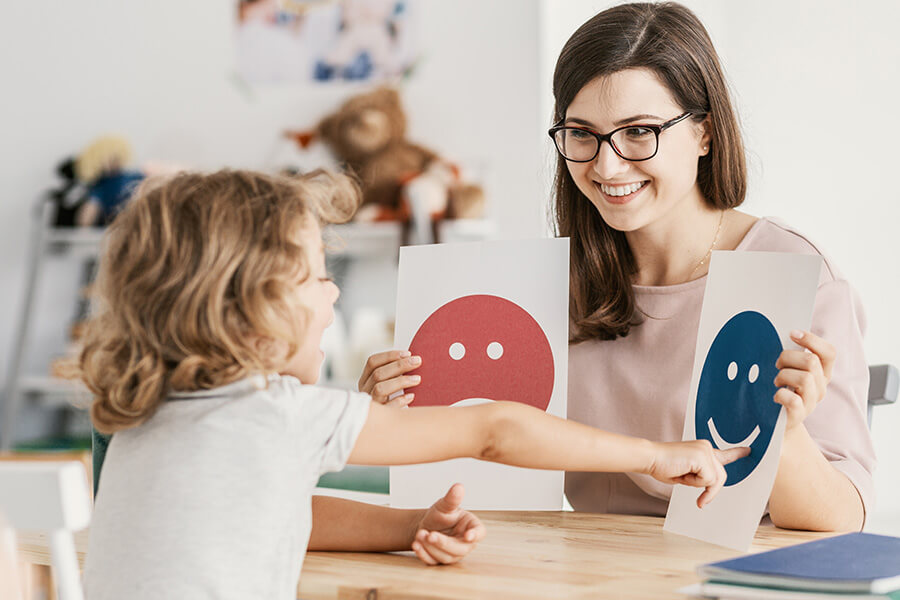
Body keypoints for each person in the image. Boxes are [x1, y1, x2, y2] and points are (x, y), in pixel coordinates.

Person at [77, 169, 743, 599]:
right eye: (313, 276)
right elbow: (494, 429)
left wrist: (411, 524)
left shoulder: (148, 419)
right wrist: (656, 455)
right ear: (245, 308)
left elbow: (282, 512)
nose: (332, 291)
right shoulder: (277, 414)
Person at [364, 2, 875, 532]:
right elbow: (487, 465)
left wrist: (784, 433)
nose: (606, 166)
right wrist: (397, 415)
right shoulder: (541, 288)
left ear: (705, 132)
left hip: (735, 574)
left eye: (638, 132)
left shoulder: (795, 275)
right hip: (592, 570)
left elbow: (841, 519)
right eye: (581, 133)